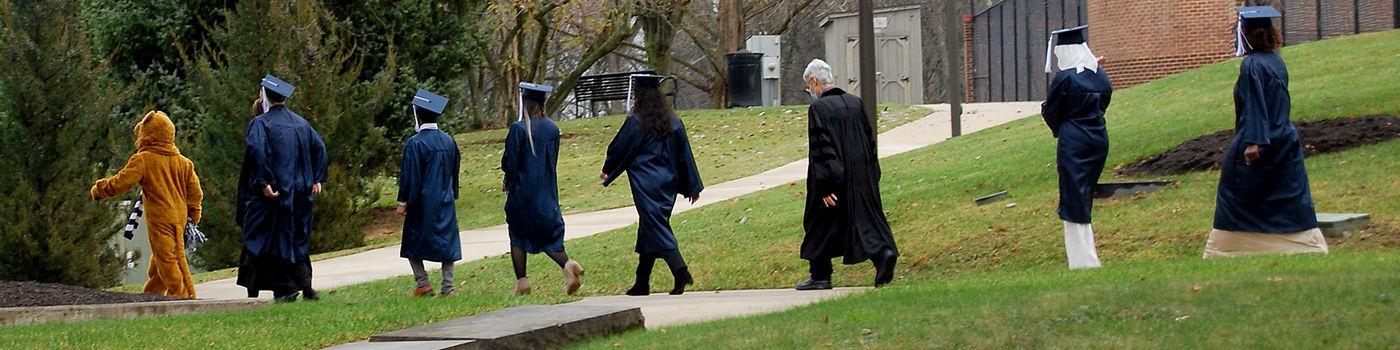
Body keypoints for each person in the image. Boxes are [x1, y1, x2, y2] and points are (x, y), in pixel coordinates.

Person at [1205, 6, 1327, 258]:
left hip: (1260, 141)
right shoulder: (1275, 61)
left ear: (1247, 33)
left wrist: (1254, 142)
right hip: (1284, 140)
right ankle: (1304, 245)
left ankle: (1227, 249)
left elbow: (1255, 103)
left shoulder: (1251, 65)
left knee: (1235, 194)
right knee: (1286, 194)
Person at [795, 59, 899, 291]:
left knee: (817, 223)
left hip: (833, 178)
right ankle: (884, 254)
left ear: (814, 81)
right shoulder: (855, 103)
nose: (809, 91)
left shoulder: (819, 109)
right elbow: (869, 140)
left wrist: (825, 185)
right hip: (861, 178)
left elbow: (821, 149)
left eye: (808, 86)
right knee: (863, 221)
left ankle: (820, 275)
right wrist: (872, 175)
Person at [600, 74, 703, 296]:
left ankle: (680, 270)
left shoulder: (636, 121)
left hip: (646, 183)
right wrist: (692, 186)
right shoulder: (674, 121)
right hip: (668, 183)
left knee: (655, 225)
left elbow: (619, 147)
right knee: (650, 227)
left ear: (639, 95)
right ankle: (642, 283)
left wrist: (608, 167)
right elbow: (685, 155)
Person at [91, 111, 203, 299]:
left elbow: (121, 183)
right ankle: (152, 293)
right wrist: (194, 214)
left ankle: (182, 295)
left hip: (160, 218)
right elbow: (195, 193)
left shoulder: (144, 159)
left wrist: (99, 189)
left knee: (167, 259)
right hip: (181, 217)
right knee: (162, 257)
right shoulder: (184, 163)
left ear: (147, 135)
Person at [236, 75, 328, 302]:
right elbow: (320, 148)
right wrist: (317, 178)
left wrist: (263, 182)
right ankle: (304, 287)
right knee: (297, 239)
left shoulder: (261, 124)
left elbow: (257, 152)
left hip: (273, 195)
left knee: (264, 240)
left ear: (265, 96)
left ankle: (283, 289)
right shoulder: (301, 123)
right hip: (299, 194)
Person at [1040, 25, 1112, 269]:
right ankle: (1086, 257)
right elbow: (1105, 99)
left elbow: (1052, 111)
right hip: (1098, 138)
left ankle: (1083, 261)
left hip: (1074, 141)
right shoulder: (1098, 74)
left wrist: (1060, 124)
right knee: (1084, 195)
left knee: (1073, 198)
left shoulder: (1065, 78)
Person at [504, 82, 584, 296]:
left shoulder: (519, 129)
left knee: (518, 235)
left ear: (525, 103)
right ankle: (568, 265)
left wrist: (508, 181)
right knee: (548, 236)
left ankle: (522, 282)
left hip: (523, 193)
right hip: (547, 192)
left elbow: (509, 163)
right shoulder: (552, 128)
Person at [395, 89, 463, 297]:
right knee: (447, 242)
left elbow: (410, 175)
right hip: (445, 199)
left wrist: (404, 201)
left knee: (412, 243)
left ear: (418, 114)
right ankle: (448, 287)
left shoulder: (415, 143)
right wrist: (452, 193)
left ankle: (423, 283)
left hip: (423, 202)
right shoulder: (449, 141)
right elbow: (455, 170)